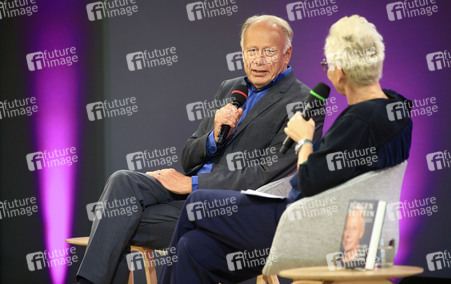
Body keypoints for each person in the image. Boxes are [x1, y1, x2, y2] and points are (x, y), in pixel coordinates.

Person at [159, 15, 413, 284]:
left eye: (327, 65)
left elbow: (306, 186)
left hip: (305, 226)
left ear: (340, 70)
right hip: (339, 228)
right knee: (194, 247)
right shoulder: (396, 110)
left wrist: (304, 140)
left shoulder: (357, 121)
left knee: (197, 203)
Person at [76, 15, 324, 284]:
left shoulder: (302, 101)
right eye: (252, 51)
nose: (259, 60)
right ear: (242, 52)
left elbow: (265, 173)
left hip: (227, 208)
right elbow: (188, 157)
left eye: (269, 51)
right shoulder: (231, 88)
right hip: (187, 194)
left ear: (287, 54)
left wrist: (193, 184)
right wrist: (213, 138)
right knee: (122, 181)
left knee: (116, 219)